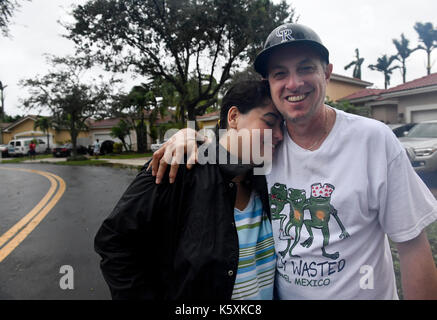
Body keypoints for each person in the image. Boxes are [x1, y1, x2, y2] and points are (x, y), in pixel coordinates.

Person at [150, 23, 437, 299]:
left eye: (305, 68)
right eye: (280, 73)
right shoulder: (266, 146)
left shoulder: (373, 140)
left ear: (327, 73)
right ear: (269, 83)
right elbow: (228, 146)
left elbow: (412, 246)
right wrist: (188, 136)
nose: (294, 83)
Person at [94, 80, 284, 300]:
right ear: (233, 117)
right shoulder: (177, 166)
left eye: (282, 126)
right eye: (270, 122)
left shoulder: (267, 178)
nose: (279, 135)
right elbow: (114, 242)